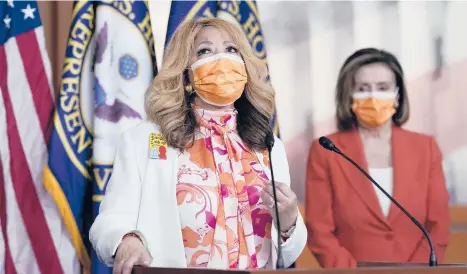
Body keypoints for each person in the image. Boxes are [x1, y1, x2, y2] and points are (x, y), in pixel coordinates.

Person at [90, 18, 307, 274]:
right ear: (185, 73)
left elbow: (286, 255)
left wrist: (290, 220)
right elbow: (109, 222)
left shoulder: (268, 146)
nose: (221, 60)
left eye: (231, 50)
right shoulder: (143, 140)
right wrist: (127, 241)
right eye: (205, 51)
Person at [305, 48, 450, 268]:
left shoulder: (426, 148)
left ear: (398, 94)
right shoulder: (326, 150)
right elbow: (320, 231)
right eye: (363, 88)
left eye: (383, 88)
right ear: (349, 95)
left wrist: (415, 273)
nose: (373, 96)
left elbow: (438, 226)